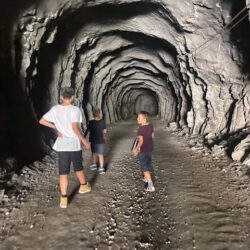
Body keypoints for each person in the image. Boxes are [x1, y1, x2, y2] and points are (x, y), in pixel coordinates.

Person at [39, 87, 91, 208]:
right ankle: (83, 186)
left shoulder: (55, 109)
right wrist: (84, 141)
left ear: (61, 97)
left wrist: (55, 127)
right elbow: (74, 128)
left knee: (63, 173)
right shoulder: (75, 110)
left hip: (62, 145)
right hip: (73, 145)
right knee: (78, 168)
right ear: (73, 97)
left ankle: (63, 199)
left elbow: (42, 120)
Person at [133, 111, 155, 192]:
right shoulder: (151, 126)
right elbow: (152, 137)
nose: (137, 119)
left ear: (144, 119)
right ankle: (146, 178)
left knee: (144, 168)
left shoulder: (140, 129)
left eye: (139, 118)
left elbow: (140, 142)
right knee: (148, 164)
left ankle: (150, 185)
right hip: (150, 149)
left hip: (143, 150)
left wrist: (136, 149)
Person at [85, 107, 106, 174]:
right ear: (99, 113)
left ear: (93, 114)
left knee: (94, 153)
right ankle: (101, 168)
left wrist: (84, 137)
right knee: (100, 154)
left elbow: (88, 130)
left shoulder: (91, 122)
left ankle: (94, 164)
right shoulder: (102, 122)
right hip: (100, 141)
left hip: (93, 140)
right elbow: (104, 131)